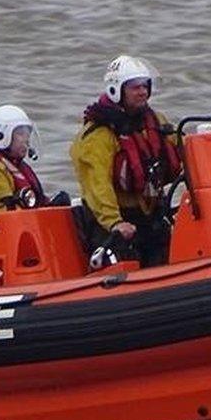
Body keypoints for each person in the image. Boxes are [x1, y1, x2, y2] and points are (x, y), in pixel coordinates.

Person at [69, 55, 181, 267]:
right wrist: (115, 222)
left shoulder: (156, 122)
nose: (143, 92)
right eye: (135, 87)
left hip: (151, 214)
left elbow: (179, 148)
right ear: (116, 89)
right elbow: (97, 184)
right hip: (115, 222)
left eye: (145, 85)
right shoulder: (97, 135)